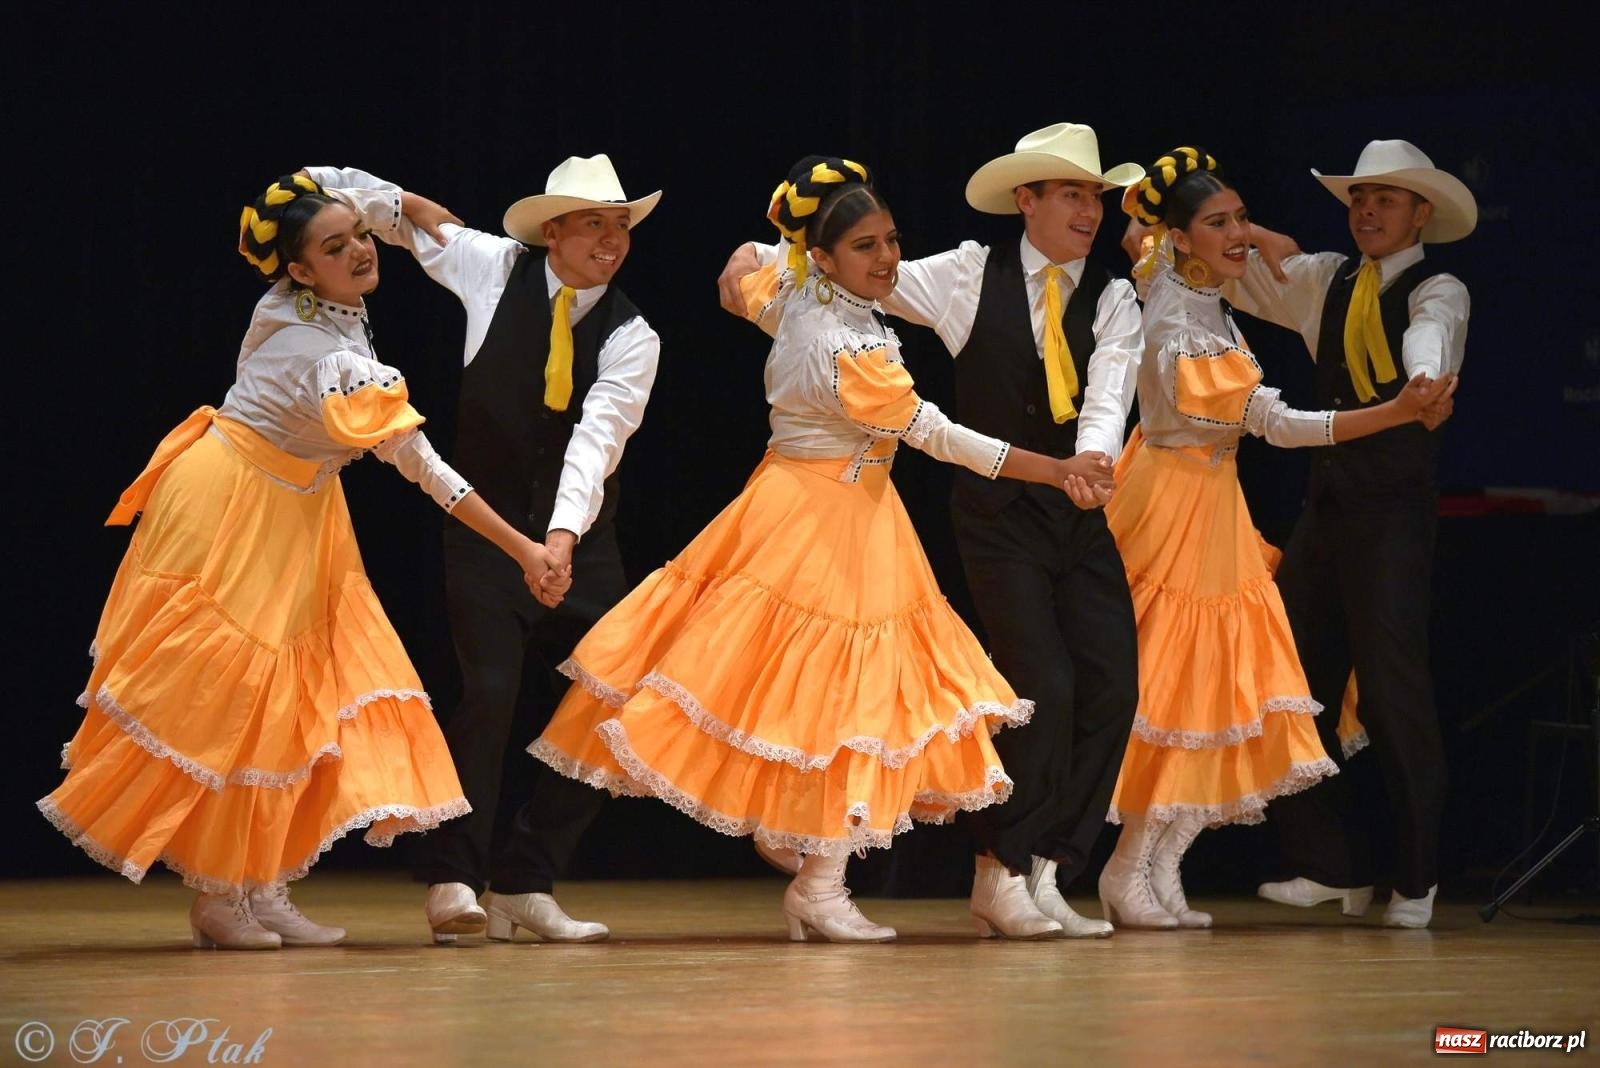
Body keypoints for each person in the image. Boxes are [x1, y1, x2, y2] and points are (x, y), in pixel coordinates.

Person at [533, 156, 1102, 943]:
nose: (887, 260)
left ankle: (811, 864)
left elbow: (752, 277)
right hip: (822, 518)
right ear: (827, 257)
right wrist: (1055, 468)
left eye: (892, 240)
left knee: (829, 696)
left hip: (832, 506)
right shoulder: (844, 342)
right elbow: (935, 434)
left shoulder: (805, 295)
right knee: (842, 696)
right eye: (865, 246)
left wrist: (748, 257)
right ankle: (819, 879)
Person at [37, 174, 565, 950]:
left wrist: (403, 210)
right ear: (298, 270)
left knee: (301, 700)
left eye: (359, 235)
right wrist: (522, 546)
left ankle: (262, 883)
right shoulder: (322, 354)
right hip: (233, 509)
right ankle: (221, 896)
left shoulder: (306, 297)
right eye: (334, 246)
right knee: (236, 697)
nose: (358, 250)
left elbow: (332, 179)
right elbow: (418, 464)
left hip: (298, 508)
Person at [718, 123, 1144, 938]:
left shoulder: (1114, 295)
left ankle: (1047, 868)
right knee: (1037, 691)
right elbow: (844, 281)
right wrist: (749, 260)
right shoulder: (953, 277)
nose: (1090, 209)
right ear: (1029, 200)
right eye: (1072, 192)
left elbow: (1108, 389)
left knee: (1112, 687)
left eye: (1096, 195)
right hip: (981, 511)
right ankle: (998, 869)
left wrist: (1085, 463)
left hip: (1072, 503)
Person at [304, 156, 662, 944]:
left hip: (579, 536)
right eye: (594, 223)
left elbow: (597, 441)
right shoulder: (492, 264)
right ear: (553, 231)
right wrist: (410, 201)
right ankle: (453, 878)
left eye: (621, 225)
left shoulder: (635, 333)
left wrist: (560, 542)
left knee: (617, 696)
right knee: (489, 697)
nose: (612, 239)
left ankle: (527, 879)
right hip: (483, 527)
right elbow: (361, 208)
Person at [1096, 148, 1455, 929]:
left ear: (1420, 213)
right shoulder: (1188, 319)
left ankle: (1161, 865)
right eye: (1220, 223)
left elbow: (1430, 333)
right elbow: (1279, 424)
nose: (1242, 236)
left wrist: (1228, 229)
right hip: (1182, 503)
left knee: (1236, 688)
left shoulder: (1178, 277)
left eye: (1241, 217)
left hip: (1236, 503)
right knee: (1182, 684)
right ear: (1183, 236)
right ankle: (1133, 865)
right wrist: (1394, 410)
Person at [1217, 141, 1475, 929]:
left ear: (1419, 213)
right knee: (1289, 682)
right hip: (1328, 507)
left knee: (1394, 696)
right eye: (1360, 199)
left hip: (1393, 514)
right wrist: (1235, 234)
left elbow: (1429, 340)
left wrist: (1422, 381)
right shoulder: (1329, 277)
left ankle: (1419, 878)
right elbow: (1251, 280)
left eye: (1386, 201)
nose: (1367, 212)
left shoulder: (1439, 287)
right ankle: (1327, 865)